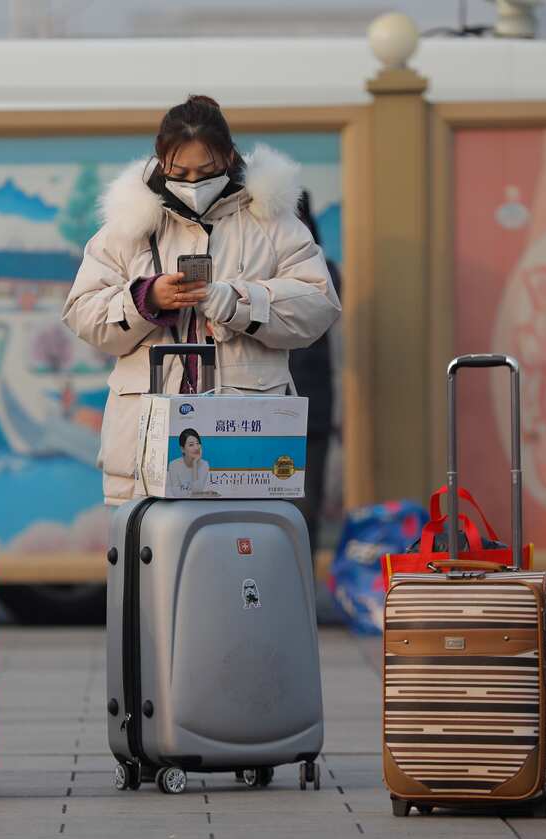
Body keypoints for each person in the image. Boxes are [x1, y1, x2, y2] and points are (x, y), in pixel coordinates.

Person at [62, 94, 340, 505]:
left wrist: (236, 301)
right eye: (180, 171)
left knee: (243, 560)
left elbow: (319, 304)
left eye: (206, 171)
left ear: (229, 158)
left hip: (246, 452)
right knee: (154, 562)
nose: (193, 183)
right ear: (160, 163)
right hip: (146, 447)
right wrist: (146, 298)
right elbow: (82, 311)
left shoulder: (272, 219)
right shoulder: (128, 226)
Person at [289, 190, 341, 553]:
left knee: (305, 513)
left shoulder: (323, 271)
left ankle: (301, 601)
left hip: (310, 415)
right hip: (258, 409)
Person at [166, 429, 212, 496]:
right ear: (182, 449)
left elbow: (197, 491)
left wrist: (195, 464)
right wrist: (195, 494)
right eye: (191, 445)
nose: (196, 448)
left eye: (197, 443)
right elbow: (176, 493)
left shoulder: (204, 465)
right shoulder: (173, 465)